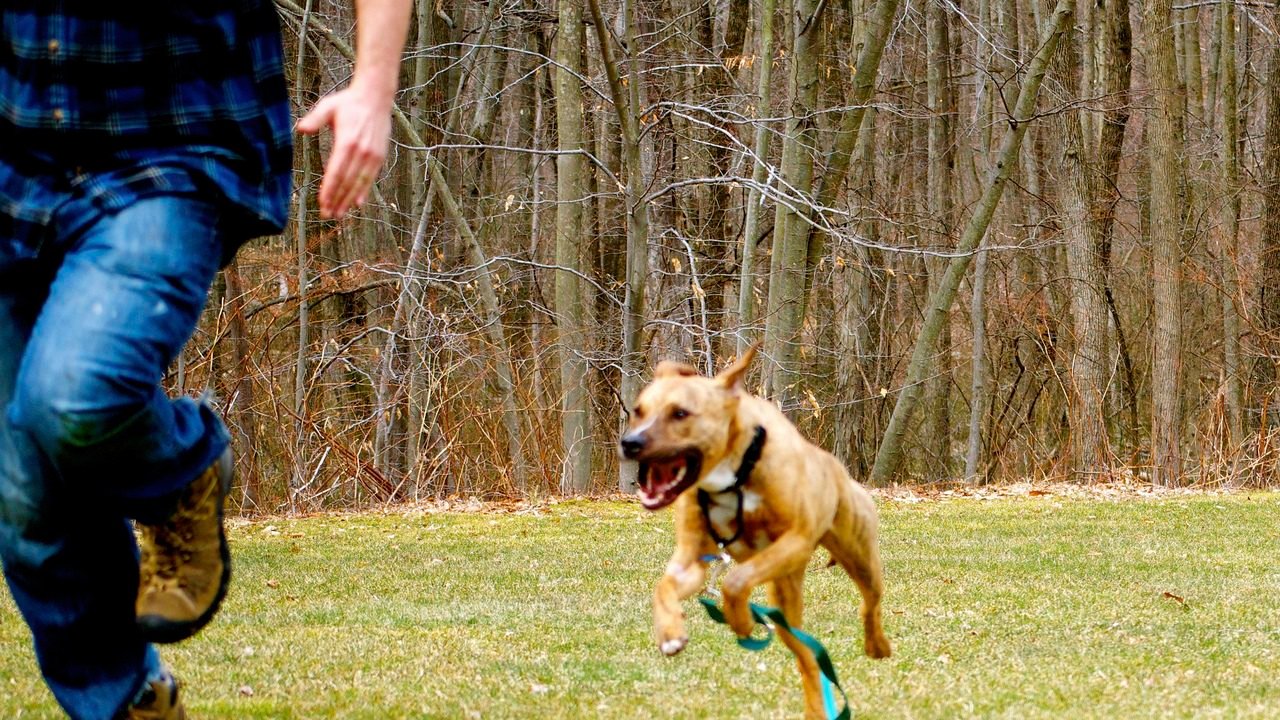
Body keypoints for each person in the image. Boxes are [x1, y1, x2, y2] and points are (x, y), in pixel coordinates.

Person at [0, 2, 410, 718]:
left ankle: (181, 474)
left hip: (170, 143)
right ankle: (130, 703)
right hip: (16, 163)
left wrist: (374, 86)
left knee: (72, 394)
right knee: (25, 498)